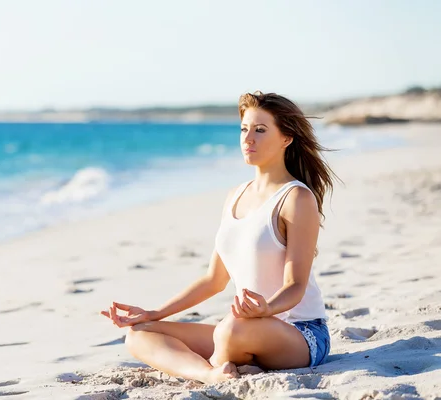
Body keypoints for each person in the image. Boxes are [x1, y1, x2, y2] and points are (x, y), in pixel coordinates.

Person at [100, 91, 337, 384]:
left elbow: (296, 285)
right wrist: (155, 312)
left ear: (286, 138)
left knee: (231, 329)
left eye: (260, 130)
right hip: (245, 327)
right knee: (140, 333)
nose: (248, 139)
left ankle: (222, 359)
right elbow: (214, 280)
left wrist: (267, 309)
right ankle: (210, 374)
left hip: (300, 333)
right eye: (244, 129)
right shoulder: (234, 196)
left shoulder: (296, 197)